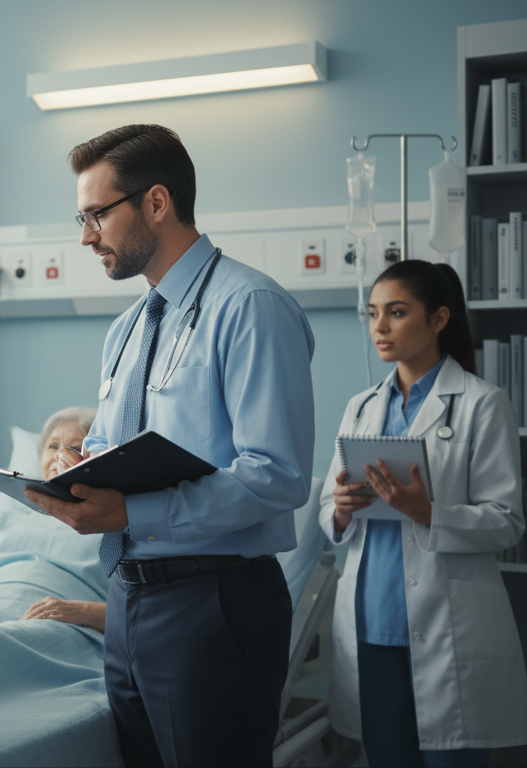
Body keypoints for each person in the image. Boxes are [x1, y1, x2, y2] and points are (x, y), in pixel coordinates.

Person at [26, 124, 315, 766]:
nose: (85, 236)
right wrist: (77, 470)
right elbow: (111, 442)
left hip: (215, 599)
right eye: (81, 217)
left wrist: (131, 513)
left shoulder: (250, 306)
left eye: (97, 214)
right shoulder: (128, 327)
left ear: (156, 202)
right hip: (128, 599)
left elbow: (277, 476)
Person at [320, 260, 527, 767]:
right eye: (372, 314)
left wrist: (427, 512)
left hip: (448, 626)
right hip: (371, 625)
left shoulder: (483, 403)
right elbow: (329, 507)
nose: (380, 328)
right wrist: (342, 510)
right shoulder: (360, 407)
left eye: (396, 312)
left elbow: (507, 521)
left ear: (438, 319)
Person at [0, 407, 106, 632]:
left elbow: (138, 613)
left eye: (74, 448)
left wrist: (81, 611)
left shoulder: (113, 528)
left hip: (52, 632)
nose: (59, 456)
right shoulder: (3, 522)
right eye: (53, 446)